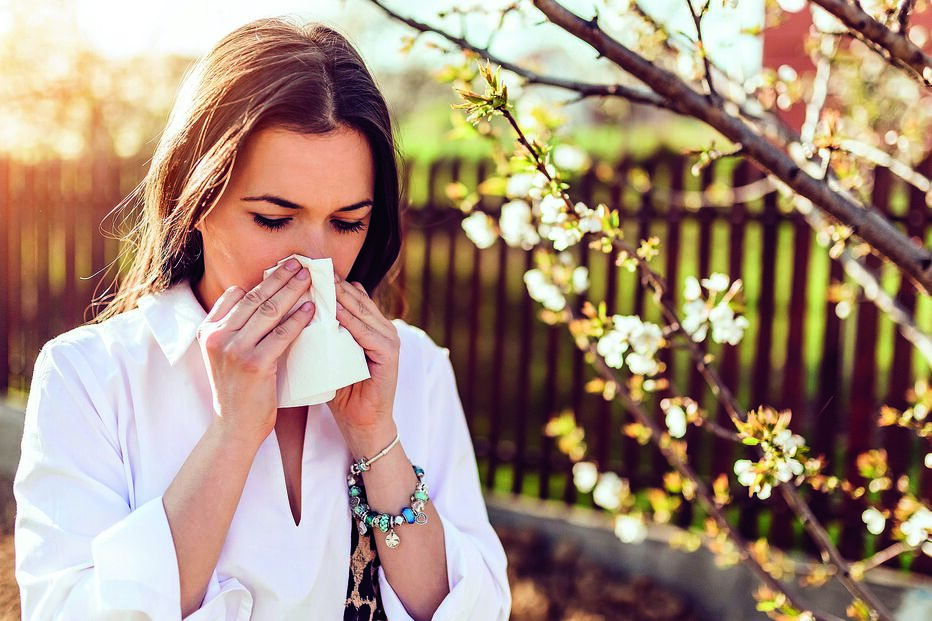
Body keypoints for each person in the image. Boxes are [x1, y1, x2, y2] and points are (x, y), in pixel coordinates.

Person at [13, 17, 511, 621]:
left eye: (348, 222)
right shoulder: (90, 378)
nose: (315, 260)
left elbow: (473, 609)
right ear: (188, 201)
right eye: (275, 220)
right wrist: (231, 437)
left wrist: (378, 438)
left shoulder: (417, 369)